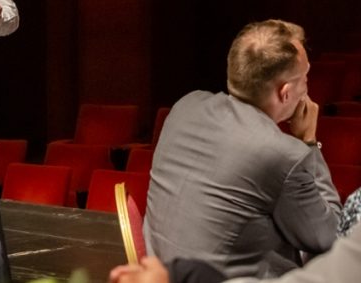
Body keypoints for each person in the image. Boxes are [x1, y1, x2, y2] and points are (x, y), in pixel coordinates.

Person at [145, 19, 341, 278]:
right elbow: (328, 236)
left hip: (160, 274)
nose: (307, 86)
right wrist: (309, 141)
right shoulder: (284, 154)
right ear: (285, 93)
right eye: (305, 77)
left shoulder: (185, 106)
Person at [110, 225, 361, 283]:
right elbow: (327, 234)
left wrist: (179, 276)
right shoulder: (285, 152)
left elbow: (325, 237)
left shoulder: (184, 113)